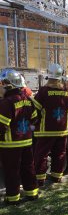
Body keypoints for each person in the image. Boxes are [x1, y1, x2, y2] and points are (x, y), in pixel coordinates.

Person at [0, 69, 38, 205]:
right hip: (26, 141)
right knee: (28, 168)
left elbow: (2, 125)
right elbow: (34, 119)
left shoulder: (6, 103)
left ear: (7, 85)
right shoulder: (28, 100)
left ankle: (13, 198)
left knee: (12, 171)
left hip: (10, 144)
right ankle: (32, 193)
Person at [32, 63, 68, 186]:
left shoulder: (44, 91)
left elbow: (35, 109)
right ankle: (57, 177)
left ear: (48, 77)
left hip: (46, 130)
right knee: (60, 154)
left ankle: (40, 179)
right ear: (60, 77)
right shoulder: (66, 92)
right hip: (62, 129)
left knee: (41, 154)